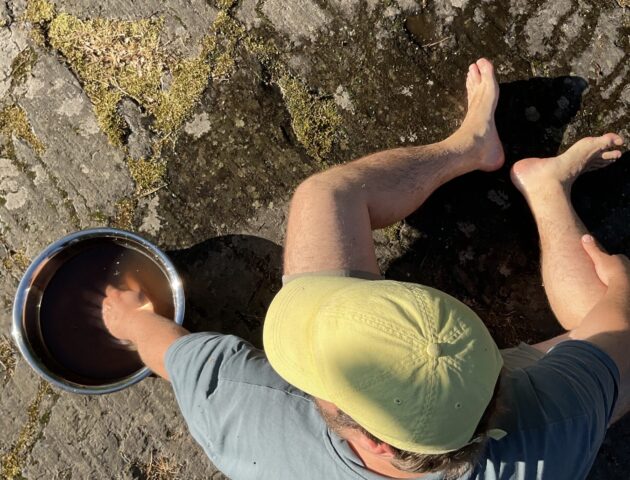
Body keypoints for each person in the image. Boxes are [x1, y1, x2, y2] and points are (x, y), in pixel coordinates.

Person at [101, 58, 629, 479]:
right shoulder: (554, 430)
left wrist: (129, 322)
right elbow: (621, 329)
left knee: (325, 196)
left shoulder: (251, 421)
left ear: (374, 443)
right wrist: (621, 291)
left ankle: (469, 148)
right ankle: (543, 187)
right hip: (514, 408)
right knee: (614, 331)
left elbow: (176, 356)